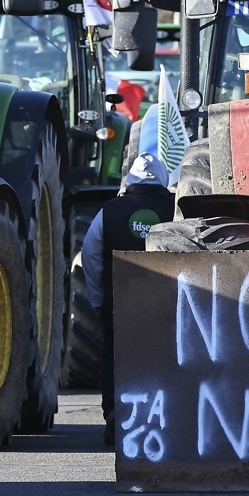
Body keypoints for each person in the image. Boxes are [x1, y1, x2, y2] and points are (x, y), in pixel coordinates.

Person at [81, 152, 175, 446]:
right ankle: (169, 419)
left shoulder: (108, 211)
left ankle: (115, 415)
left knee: (115, 356)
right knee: (167, 359)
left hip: (119, 302)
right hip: (169, 306)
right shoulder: (177, 209)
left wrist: (99, 300)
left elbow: (90, 257)